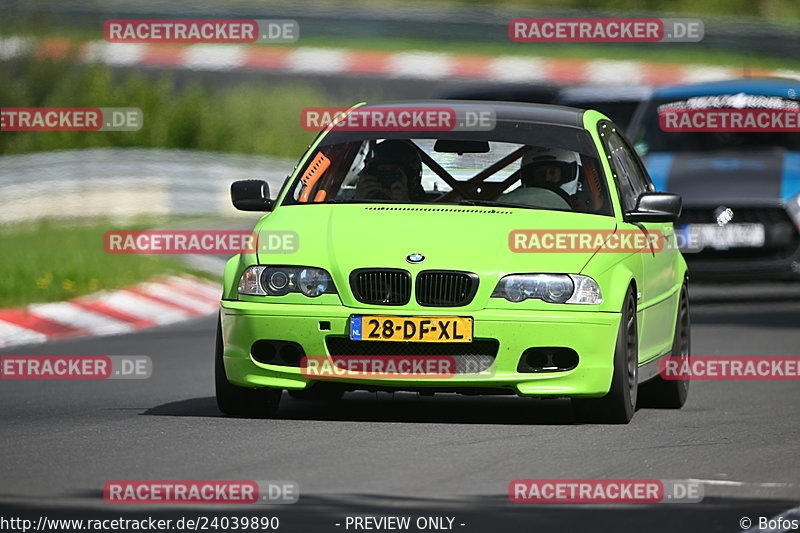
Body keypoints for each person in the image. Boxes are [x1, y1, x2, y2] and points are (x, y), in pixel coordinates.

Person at [516, 147, 588, 210]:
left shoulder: (582, 204)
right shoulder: (517, 200)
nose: (546, 178)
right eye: (540, 173)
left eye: (552, 172)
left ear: (565, 174)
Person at [355, 140, 426, 202]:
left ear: (411, 180)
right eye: (380, 174)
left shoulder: (428, 211)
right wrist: (359, 200)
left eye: (394, 175)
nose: (385, 179)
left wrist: (405, 205)